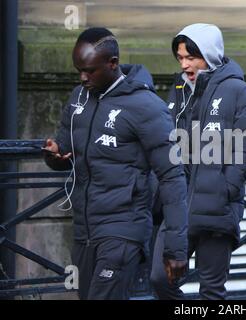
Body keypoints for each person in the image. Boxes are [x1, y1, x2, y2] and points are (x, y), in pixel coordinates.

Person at [43, 27, 188, 300]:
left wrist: (176, 249)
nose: (82, 78)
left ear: (112, 63)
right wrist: (53, 155)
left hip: (124, 229)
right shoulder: (79, 97)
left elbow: (172, 177)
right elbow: (66, 153)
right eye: (78, 70)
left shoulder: (147, 107)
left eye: (89, 70)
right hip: (84, 229)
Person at [150, 23, 246, 300]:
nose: (185, 65)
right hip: (177, 206)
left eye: (192, 57)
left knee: (211, 290)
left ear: (209, 54)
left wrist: (227, 189)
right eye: (180, 58)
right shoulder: (179, 87)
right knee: (159, 279)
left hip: (217, 207)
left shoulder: (239, 91)